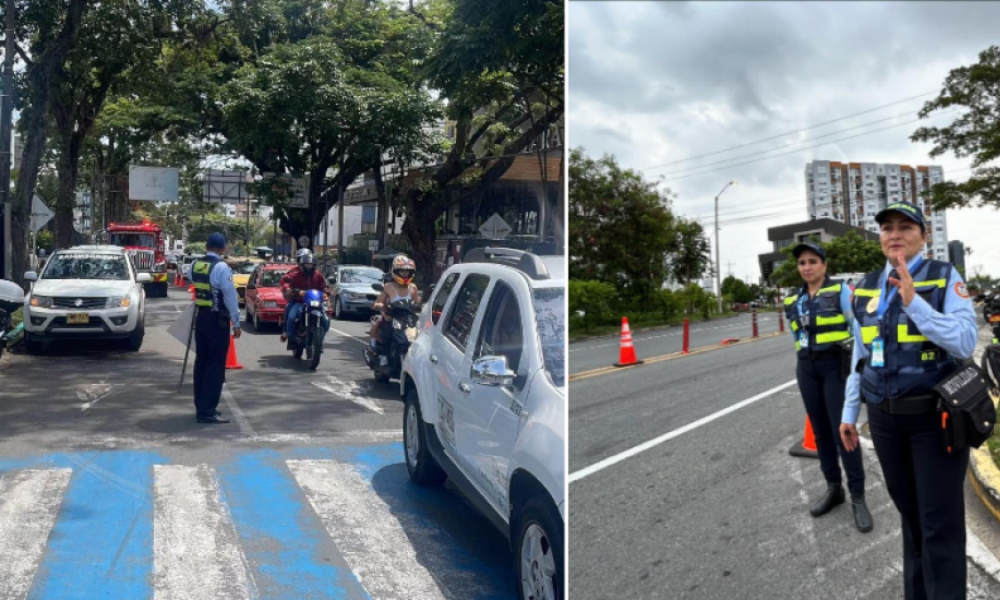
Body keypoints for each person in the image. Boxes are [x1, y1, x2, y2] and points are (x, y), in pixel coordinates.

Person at [839, 201, 977, 600]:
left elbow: (966, 341)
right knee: (911, 518)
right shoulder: (864, 287)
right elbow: (861, 355)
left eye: (905, 227)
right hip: (884, 420)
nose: (895, 234)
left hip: (934, 420)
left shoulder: (943, 277)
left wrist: (915, 303)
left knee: (940, 524)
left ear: (923, 235)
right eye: (887, 228)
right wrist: (851, 411)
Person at [783, 242, 871, 532]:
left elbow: (857, 328)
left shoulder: (841, 291)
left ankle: (858, 495)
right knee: (820, 432)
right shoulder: (793, 298)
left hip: (835, 367)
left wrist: (860, 366)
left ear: (824, 264)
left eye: (812, 261)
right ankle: (834, 488)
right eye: (802, 263)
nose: (806, 267)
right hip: (806, 368)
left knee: (843, 430)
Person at [190, 232, 241, 424]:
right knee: (215, 365)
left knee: (201, 362)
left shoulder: (195, 265)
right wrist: (236, 322)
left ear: (206, 246)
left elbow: (194, 285)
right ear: (221, 248)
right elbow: (230, 297)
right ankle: (207, 410)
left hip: (201, 317)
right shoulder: (221, 267)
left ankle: (200, 405)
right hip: (217, 320)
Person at [369, 255, 420, 364]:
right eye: (402, 271)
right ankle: (381, 354)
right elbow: (378, 302)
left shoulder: (413, 287)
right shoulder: (388, 286)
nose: (405, 273)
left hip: (408, 319)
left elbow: (417, 303)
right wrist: (380, 305)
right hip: (391, 316)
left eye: (407, 271)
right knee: (385, 333)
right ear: (396, 271)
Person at [279, 251, 330, 343]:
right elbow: (288, 283)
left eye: (311, 264)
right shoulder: (295, 274)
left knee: (325, 318)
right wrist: (292, 290)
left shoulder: (318, 275)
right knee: (291, 316)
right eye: (306, 264)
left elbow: (323, 286)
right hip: (299, 301)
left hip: (315, 301)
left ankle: (321, 336)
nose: (309, 266)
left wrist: (326, 291)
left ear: (314, 265)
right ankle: (289, 334)